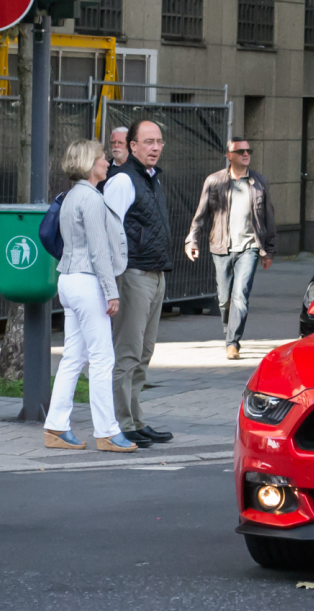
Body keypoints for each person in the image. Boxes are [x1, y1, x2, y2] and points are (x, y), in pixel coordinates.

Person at [43, 140, 135, 453]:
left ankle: (56, 426)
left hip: (68, 279)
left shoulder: (70, 196)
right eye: (100, 158)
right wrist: (112, 292)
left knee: (73, 357)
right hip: (87, 282)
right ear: (88, 163)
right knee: (102, 358)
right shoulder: (92, 199)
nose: (106, 161)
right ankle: (107, 432)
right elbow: (99, 251)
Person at [102, 119, 174, 448]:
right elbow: (108, 232)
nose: (155, 147)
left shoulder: (151, 178)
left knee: (144, 354)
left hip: (155, 274)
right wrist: (112, 285)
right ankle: (122, 422)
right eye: (148, 142)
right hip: (133, 276)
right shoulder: (122, 180)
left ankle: (136, 418)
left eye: (158, 141)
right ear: (132, 146)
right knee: (128, 354)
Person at [185, 136, 277, 361]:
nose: (246, 154)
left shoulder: (259, 182)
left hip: (250, 248)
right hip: (221, 247)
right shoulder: (214, 181)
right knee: (225, 298)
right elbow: (201, 215)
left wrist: (269, 251)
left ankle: (233, 342)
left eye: (248, 150)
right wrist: (192, 241)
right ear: (229, 156)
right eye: (240, 151)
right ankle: (229, 332)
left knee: (240, 295)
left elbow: (269, 218)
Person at [97, 126, 129, 192]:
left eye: (120, 142)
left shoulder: (138, 168)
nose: (116, 145)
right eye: (113, 142)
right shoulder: (103, 169)